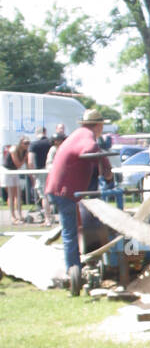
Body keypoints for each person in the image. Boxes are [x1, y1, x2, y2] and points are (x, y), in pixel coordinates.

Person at [45, 110, 112, 287]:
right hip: (64, 191)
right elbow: (91, 150)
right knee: (70, 232)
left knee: (74, 229)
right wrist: (107, 170)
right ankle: (73, 269)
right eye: (102, 126)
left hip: (62, 188)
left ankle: (77, 264)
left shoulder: (79, 134)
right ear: (98, 125)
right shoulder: (87, 137)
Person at [2, 136, 30, 223]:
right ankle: (13, 216)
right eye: (25, 143)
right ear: (21, 143)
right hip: (7, 171)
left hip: (14, 171)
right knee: (11, 195)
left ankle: (20, 215)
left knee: (18, 194)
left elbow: (27, 164)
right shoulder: (14, 149)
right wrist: (25, 158)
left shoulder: (25, 151)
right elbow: (17, 164)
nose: (27, 145)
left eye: (28, 143)